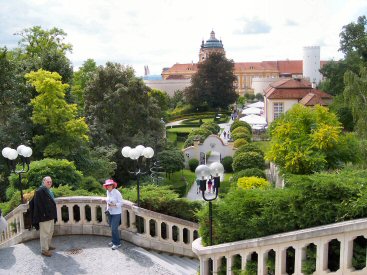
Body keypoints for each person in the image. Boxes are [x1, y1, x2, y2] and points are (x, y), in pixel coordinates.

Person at [32, 176, 57, 257]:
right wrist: (43, 214)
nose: (49, 183)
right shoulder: (39, 191)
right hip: (44, 217)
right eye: (47, 182)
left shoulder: (48, 190)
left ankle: (48, 246)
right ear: (43, 182)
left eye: (50, 182)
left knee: (50, 232)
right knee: (44, 234)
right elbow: (37, 205)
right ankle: (44, 250)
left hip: (51, 215)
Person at [104, 179, 123, 250]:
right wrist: (108, 207)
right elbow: (108, 201)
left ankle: (117, 243)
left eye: (110, 185)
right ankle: (114, 240)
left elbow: (121, 203)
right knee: (112, 228)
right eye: (107, 185)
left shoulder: (117, 192)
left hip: (116, 213)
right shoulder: (107, 192)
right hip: (110, 212)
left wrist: (114, 205)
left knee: (114, 228)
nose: (108, 186)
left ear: (113, 185)